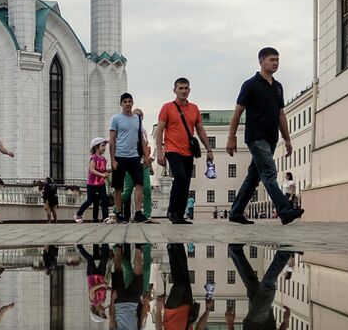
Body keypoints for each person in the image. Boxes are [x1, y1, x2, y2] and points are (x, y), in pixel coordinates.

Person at [225, 47, 303, 226]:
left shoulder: (277, 87)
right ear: (261, 61)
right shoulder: (250, 84)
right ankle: (285, 211)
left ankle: (236, 212)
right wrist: (231, 137)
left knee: (253, 177)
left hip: (271, 138)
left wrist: (288, 139)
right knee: (269, 173)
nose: (275, 63)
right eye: (271, 60)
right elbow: (238, 112)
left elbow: (280, 114)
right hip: (256, 137)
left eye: (277, 60)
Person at [155, 78, 216, 224]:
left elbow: (200, 130)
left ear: (189, 90)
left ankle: (180, 215)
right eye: (180, 88)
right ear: (174, 90)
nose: (183, 91)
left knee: (186, 181)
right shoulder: (167, 107)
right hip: (172, 149)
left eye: (186, 88)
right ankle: (172, 210)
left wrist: (209, 149)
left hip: (188, 151)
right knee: (180, 177)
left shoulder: (194, 108)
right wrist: (159, 152)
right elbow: (159, 130)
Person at [155, 242, 208, 330]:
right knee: (184, 277)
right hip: (187, 308)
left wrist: (159, 308)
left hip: (171, 310)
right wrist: (207, 311)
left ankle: (172, 248)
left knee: (181, 283)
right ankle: (177, 247)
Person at [107, 92, 151, 224]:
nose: (128, 104)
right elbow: (112, 140)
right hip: (120, 156)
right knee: (118, 187)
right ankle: (118, 213)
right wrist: (113, 159)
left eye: (130, 101)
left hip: (134, 157)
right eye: (125, 101)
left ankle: (138, 213)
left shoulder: (137, 119)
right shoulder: (116, 119)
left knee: (140, 184)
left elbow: (141, 140)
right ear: (121, 104)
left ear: (133, 103)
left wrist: (147, 156)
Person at [107, 243, 152, 330]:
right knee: (139, 275)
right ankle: (138, 248)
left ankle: (118, 250)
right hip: (133, 301)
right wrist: (146, 302)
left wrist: (112, 300)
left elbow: (111, 319)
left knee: (118, 272)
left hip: (119, 302)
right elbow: (141, 319)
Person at [75, 137, 110, 223]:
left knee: (104, 199)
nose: (104, 148)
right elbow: (91, 169)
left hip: (101, 183)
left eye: (105, 146)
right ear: (96, 147)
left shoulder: (104, 159)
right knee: (90, 200)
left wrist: (109, 171)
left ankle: (105, 217)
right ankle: (78, 214)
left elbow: (103, 170)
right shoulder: (94, 157)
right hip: (92, 184)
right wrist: (102, 175)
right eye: (102, 145)